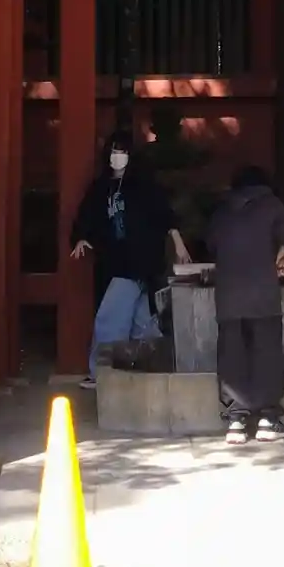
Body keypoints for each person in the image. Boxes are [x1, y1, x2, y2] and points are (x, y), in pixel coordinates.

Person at [69, 135, 188, 387]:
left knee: (110, 317)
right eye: (113, 151)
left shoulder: (143, 185)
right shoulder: (100, 187)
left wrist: (178, 243)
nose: (117, 157)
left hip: (139, 260)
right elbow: (86, 215)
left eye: (122, 152)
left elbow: (164, 215)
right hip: (114, 260)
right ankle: (158, 362)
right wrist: (80, 238)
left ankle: (101, 371)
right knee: (141, 321)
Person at [206, 166, 284, 445]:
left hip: (229, 295)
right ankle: (268, 419)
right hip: (263, 294)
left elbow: (211, 245)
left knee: (232, 354)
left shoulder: (222, 210)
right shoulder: (272, 205)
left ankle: (236, 420)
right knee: (266, 354)